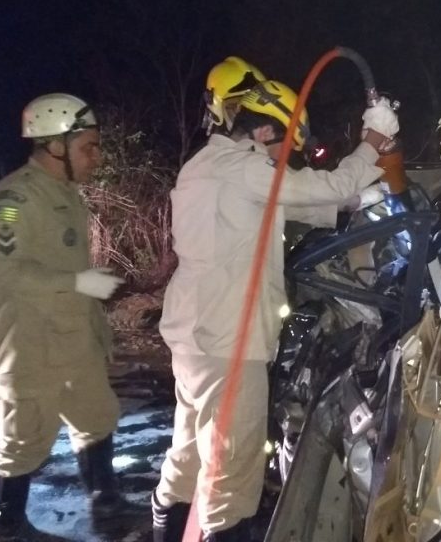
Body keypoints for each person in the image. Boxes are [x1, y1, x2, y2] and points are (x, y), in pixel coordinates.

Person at [151, 66, 398, 541]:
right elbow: (316, 188)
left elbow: (294, 202)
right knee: (232, 473)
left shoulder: (207, 166)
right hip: (228, 343)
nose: (283, 160)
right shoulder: (244, 166)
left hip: (195, 339)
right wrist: (372, 143)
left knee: (189, 454)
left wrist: (354, 201)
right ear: (264, 130)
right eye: (282, 147)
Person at [0, 93, 139, 540]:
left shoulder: (65, 194)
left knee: (98, 416)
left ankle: (105, 503)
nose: (97, 157)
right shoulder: (10, 200)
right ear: (54, 146)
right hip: (26, 345)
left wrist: (97, 330)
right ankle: (7, 527)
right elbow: (6, 270)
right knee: (22, 440)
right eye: (89, 147)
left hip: (71, 341)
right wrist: (79, 283)